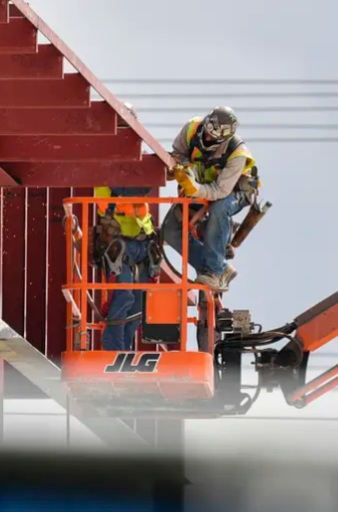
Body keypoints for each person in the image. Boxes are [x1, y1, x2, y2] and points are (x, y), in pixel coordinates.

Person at [163, 106, 259, 291]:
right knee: (171, 230)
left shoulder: (237, 153)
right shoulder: (192, 128)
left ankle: (214, 272)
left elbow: (220, 191)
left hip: (234, 192)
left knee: (220, 208)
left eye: (212, 137)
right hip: (202, 186)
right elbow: (178, 153)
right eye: (206, 133)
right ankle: (219, 269)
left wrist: (194, 187)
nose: (207, 138)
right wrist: (182, 170)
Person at [92, 186, 161, 350]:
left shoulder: (139, 180)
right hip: (119, 246)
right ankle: (113, 348)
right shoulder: (105, 182)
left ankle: (124, 349)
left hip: (144, 247)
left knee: (138, 305)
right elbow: (105, 202)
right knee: (124, 295)